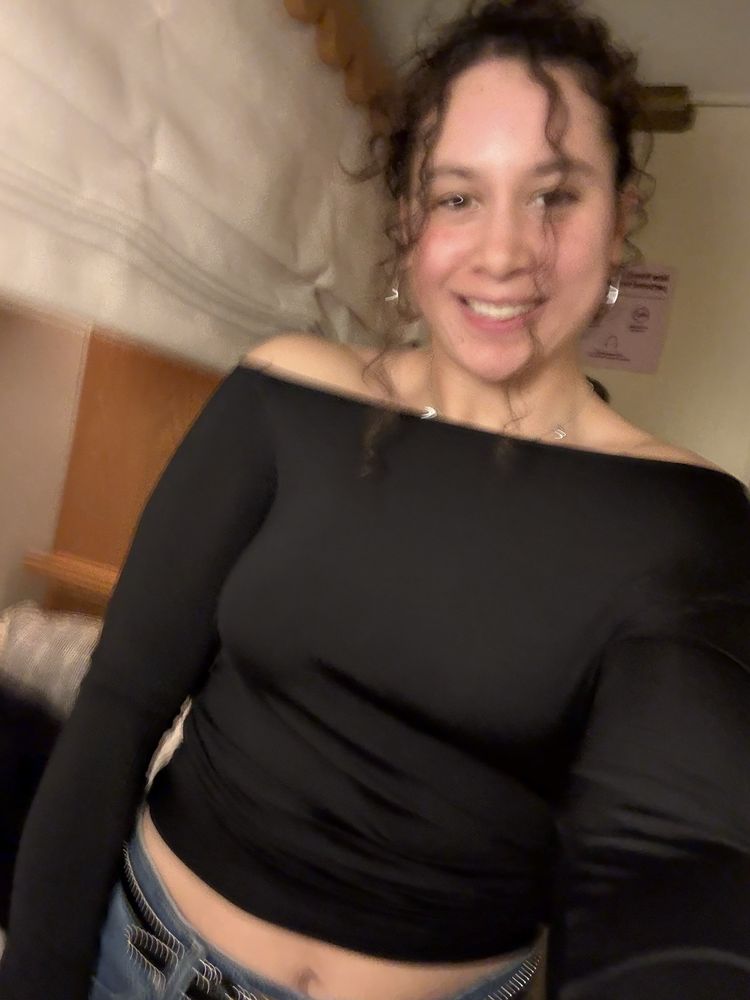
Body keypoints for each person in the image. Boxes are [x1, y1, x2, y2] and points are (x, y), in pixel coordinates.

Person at [2, 1, 749, 998]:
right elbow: (119, 703)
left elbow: (670, 875)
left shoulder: (681, 518)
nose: (503, 251)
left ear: (622, 216)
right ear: (405, 219)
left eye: (555, 195)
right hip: (138, 962)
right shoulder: (284, 394)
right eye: (457, 197)